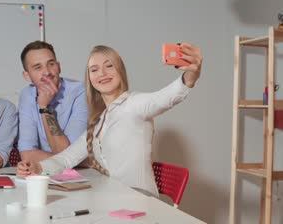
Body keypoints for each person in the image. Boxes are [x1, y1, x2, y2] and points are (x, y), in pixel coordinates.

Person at [17, 43, 203, 197]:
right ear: (90, 79)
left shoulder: (135, 103)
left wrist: (190, 76)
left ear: (120, 70)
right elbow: (66, 158)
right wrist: (36, 167)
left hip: (140, 202)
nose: (102, 73)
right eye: (94, 69)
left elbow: (165, 97)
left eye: (109, 66)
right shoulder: (99, 121)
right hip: (112, 200)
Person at [17, 41, 88, 163]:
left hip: (82, 175)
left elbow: (69, 154)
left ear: (59, 67)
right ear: (27, 76)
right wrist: (67, 160)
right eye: (37, 67)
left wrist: (45, 107)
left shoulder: (80, 92)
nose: (47, 72)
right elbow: (27, 155)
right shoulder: (27, 95)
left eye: (51, 64)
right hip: (48, 173)